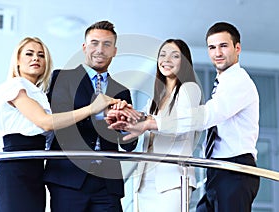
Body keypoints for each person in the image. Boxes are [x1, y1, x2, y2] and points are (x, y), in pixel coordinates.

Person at [109, 22, 260, 212]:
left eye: (223, 46)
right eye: (212, 47)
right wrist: (128, 119)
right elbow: (145, 127)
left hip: (233, 167)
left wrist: (149, 123)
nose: (217, 53)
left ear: (237, 48)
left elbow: (207, 115)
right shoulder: (157, 99)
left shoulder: (236, 81)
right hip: (216, 170)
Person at [0, 37, 118, 212]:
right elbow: (46, 122)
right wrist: (91, 108)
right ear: (18, 60)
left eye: (41, 55)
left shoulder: (41, 95)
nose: (36, 58)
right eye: (29, 54)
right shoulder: (14, 86)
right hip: (16, 169)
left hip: (36, 171)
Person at [43, 20, 139, 212]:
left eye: (107, 44)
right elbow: (58, 121)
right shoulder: (62, 78)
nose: (100, 50)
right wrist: (99, 112)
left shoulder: (122, 92)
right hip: (69, 179)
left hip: (107, 183)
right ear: (84, 47)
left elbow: (127, 144)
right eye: (94, 43)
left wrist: (129, 126)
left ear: (114, 51)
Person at [109, 39, 202, 211]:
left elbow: (179, 122)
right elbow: (142, 121)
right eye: (162, 55)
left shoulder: (189, 89)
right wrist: (126, 113)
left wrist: (146, 123)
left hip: (172, 179)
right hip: (146, 178)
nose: (166, 60)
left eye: (175, 56)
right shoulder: (156, 99)